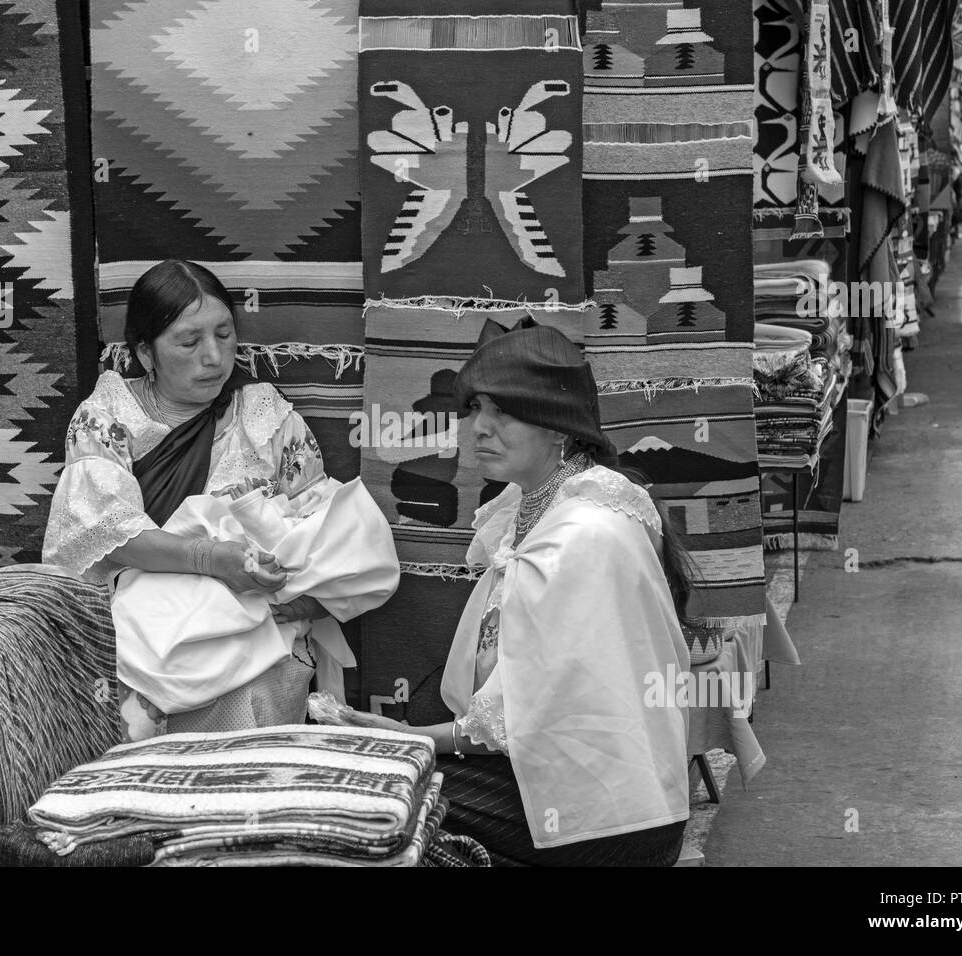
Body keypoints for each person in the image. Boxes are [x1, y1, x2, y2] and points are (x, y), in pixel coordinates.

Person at [348, 318, 694, 866]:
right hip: (576, 781)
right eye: (476, 409)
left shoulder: (581, 536)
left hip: (606, 818)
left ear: (559, 427)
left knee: (381, 806)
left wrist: (403, 738)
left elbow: (515, 717)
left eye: (502, 411)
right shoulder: (547, 508)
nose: (479, 429)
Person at [42, 260, 397, 741]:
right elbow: (99, 533)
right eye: (189, 342)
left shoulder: (263, 416)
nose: (214, 357)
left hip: (262, 637)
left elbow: (329, 528)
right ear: (146, 353)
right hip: (146, 634)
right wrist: (210, 558)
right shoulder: (108, 417)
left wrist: (316, 597)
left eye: (225, 335)